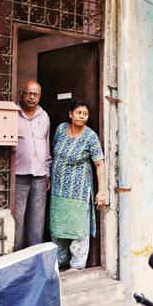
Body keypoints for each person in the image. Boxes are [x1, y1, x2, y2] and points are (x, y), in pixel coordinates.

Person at [50, 100, 106, 271]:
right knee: (57, 225)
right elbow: (54, 152)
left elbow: (100, 164)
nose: (82, 116)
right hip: (58, 188)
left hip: (79, 189)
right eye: (78, 112)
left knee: (78, 226)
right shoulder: (60, 129)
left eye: (85, 113)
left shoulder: (90, 136)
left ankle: (76, 265)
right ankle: (59, 261)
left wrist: (102, 191)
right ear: (70, 114)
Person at [13, 80, 51, 251]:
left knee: (37, 219)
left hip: (40, 177)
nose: (32, 97)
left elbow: (46, 145)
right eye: (28, 93)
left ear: (40, 97)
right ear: (22, 94)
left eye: (35, 94)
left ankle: (34, 258)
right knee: (17, 219)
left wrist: (47, 172)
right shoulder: (13, 113)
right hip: (18, 176)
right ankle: (16, 257)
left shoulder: (44, 116)